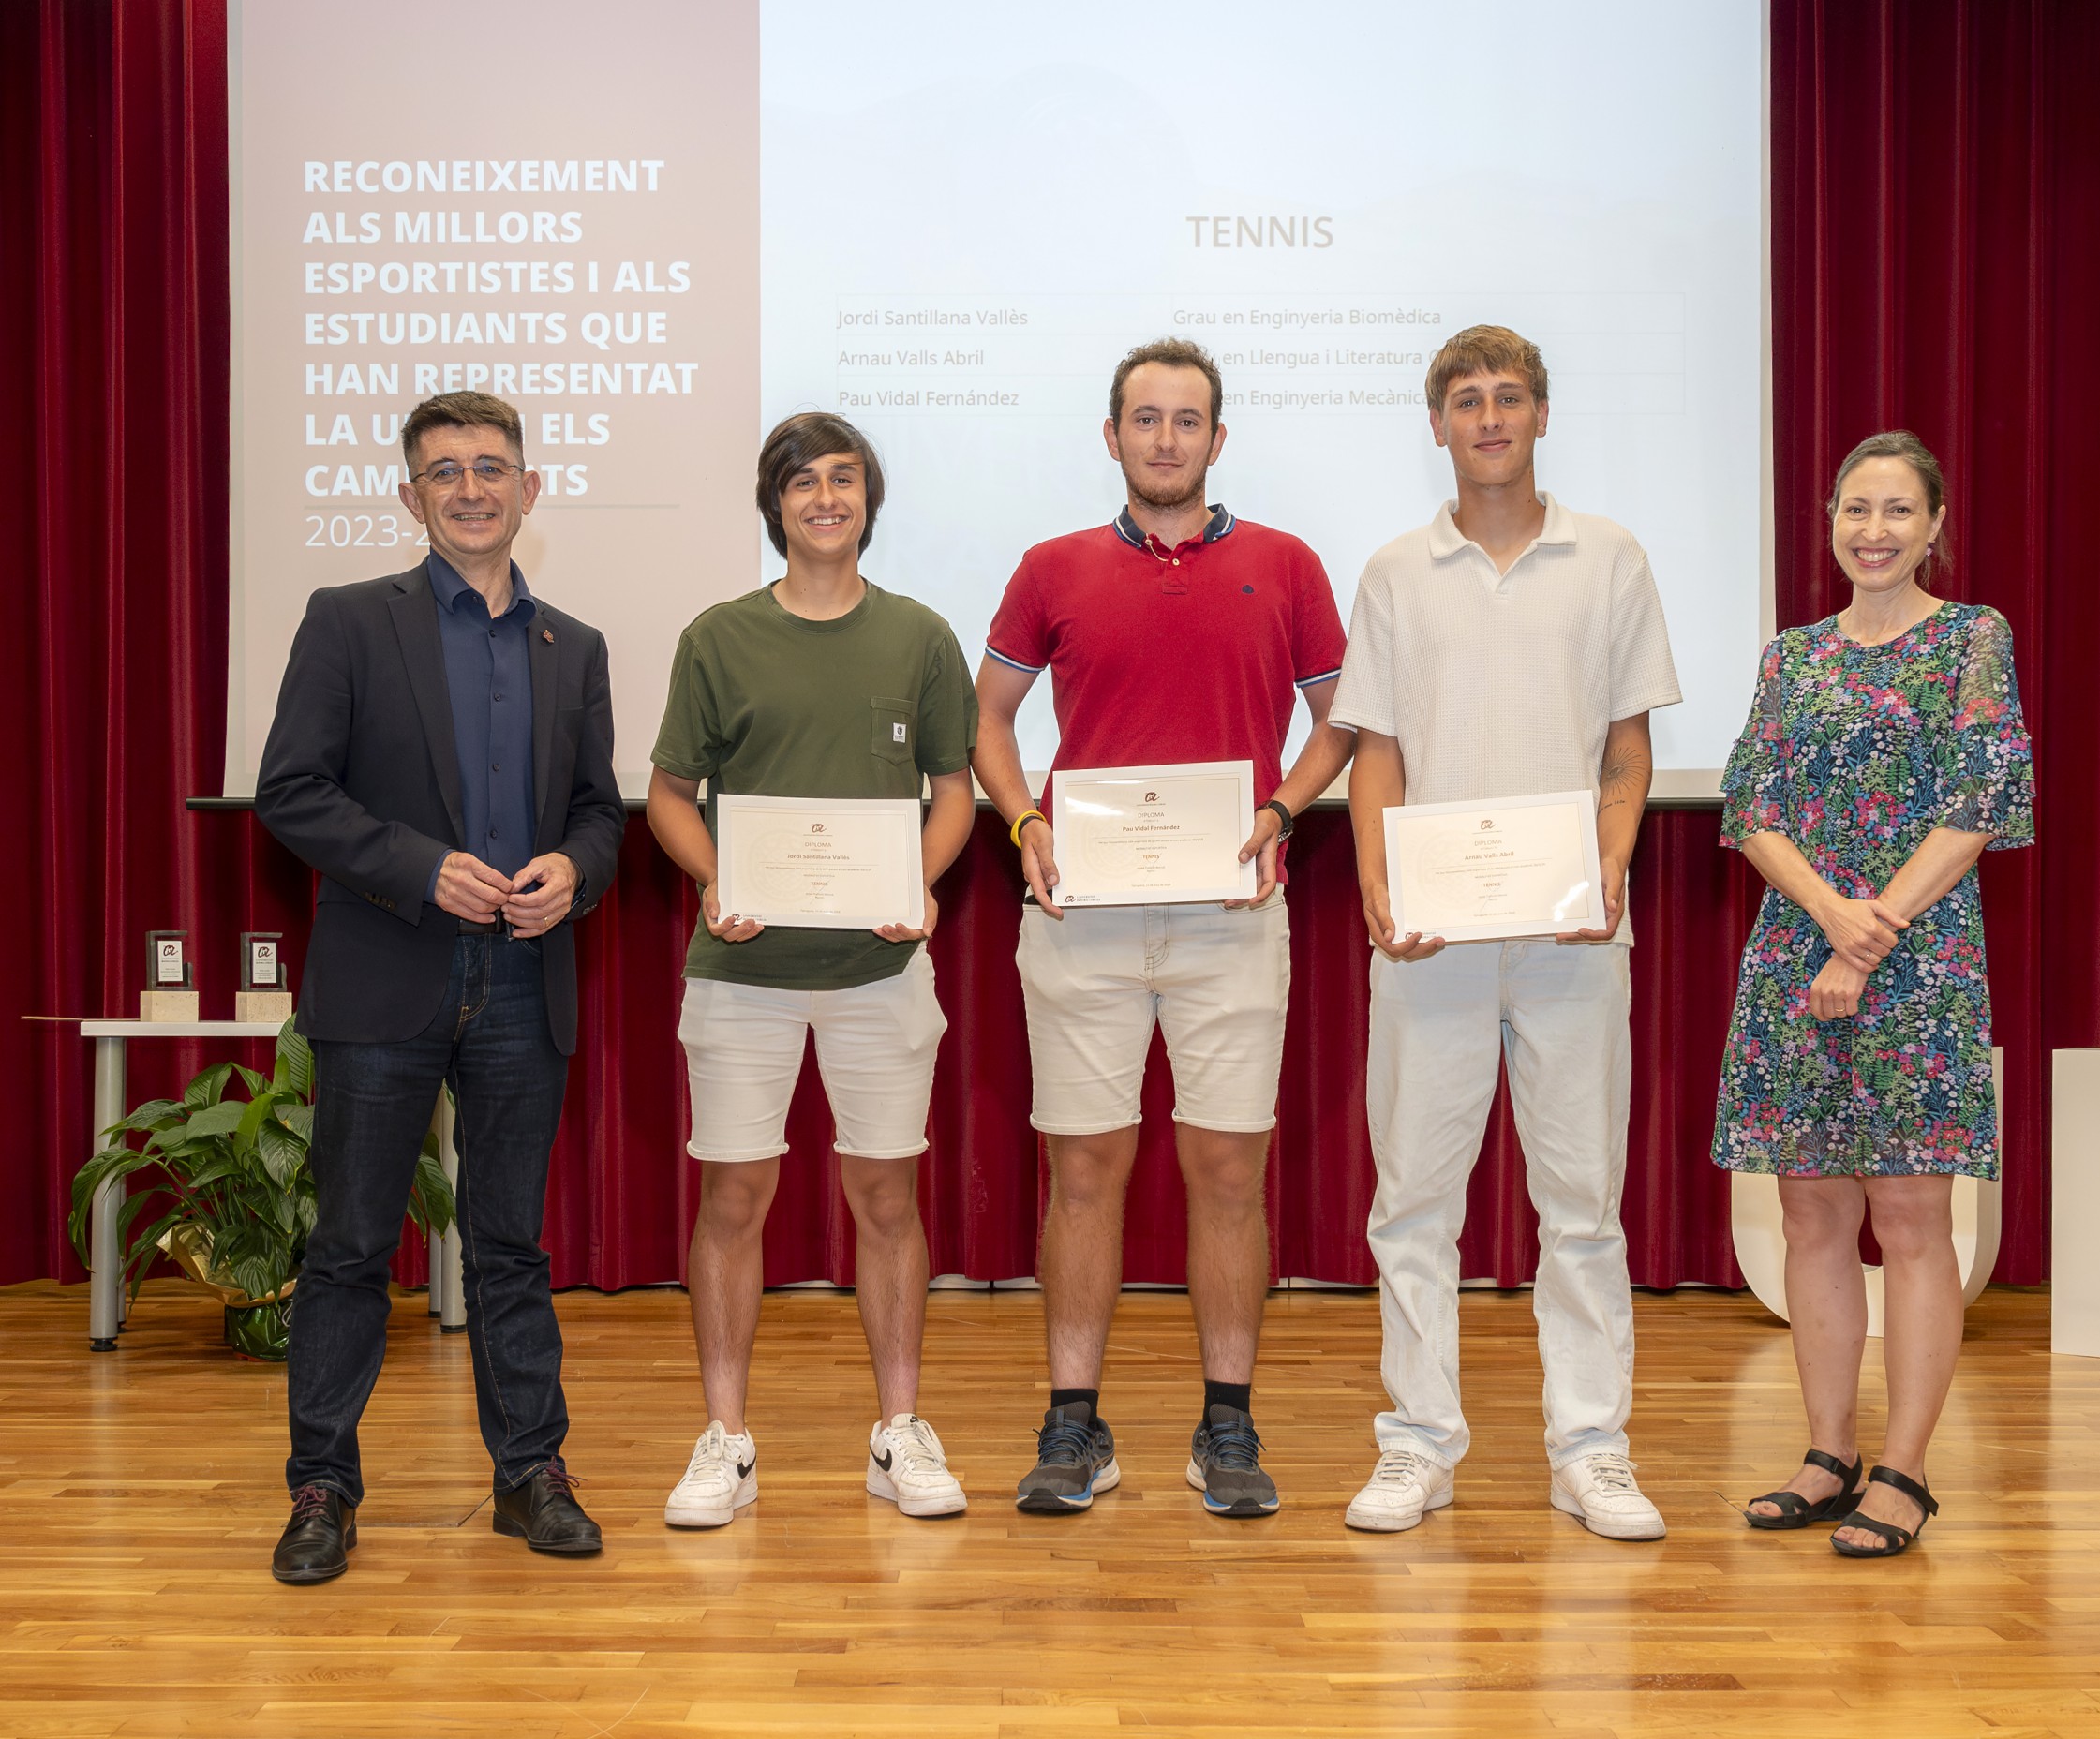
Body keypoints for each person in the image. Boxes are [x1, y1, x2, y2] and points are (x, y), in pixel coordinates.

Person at [972, 337, 1352, 1518]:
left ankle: (1226, 1425)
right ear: (1112, 435)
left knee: (1228, 1172)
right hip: (1082, 916)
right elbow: (988, 721)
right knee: (1083, 1171)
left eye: (1188, 420)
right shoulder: (1049, 567)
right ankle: (1073, 1424)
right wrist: (1025, 819)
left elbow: (1341, 723)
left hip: (1231, 915)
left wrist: (1280, 809)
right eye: (1145, 418)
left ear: (1217, 439)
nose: (1166, 438)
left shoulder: (1287, 564)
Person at [255, 391, 626, 1583]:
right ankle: (322, 1489)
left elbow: (598, 812)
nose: (471, 488)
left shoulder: (577, 646)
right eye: (445, 471)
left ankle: (530, 1474)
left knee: (510, 1244)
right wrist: (422, 869)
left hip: (524, 976)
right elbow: (292, 791)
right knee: (352, 1246)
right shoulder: (348, 620)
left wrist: (575, 869)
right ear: (410, 496)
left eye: (491, 467)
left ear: (530, 489)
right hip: (386, 974)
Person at [1333, 324, 1680, 1540]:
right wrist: (1378, 886)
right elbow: (1376, 752)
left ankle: (1591, 1451)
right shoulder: (1394, 572)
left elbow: (1628, 747)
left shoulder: (1611, 557)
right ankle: (1417, 1446)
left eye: (1511, 397)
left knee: (1581, 1203)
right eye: (1468, 400)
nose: (1490, 417)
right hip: (1429, 939)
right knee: (1412, 1205)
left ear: (1541, 415)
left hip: (1571, 934)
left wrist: (1611, 859)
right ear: (1437, 424)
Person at [648, 413, 979, 1524]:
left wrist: (917, 883)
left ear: (867, 500)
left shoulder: (919, 637)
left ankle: (898, 1432)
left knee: (886, 1196)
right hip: (740, 972)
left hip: (879, 971)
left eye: (843, 479)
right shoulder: (718, 637)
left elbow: (952, 793)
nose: (825, 497)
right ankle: (726, 1440)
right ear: (775, 504)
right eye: (802, 482)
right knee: (732, 1195)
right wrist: (713, 879)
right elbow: (670, 796)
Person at [1716, 430, 2033, 1558]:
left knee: (1908, 1219)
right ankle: (1825, 1454)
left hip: (1917, 962)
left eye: (1898, 510)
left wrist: (1867, 935)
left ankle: (1903, 1471)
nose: (1874, 531)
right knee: (1810, 1213)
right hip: (1795, 957)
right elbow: (1749, 807)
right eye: (1856, 509)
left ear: (1933, 525)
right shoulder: (1790, 657)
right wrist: (1825, 917)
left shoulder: (1970, 640)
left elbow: (1982, 802)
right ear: (1830, 522)